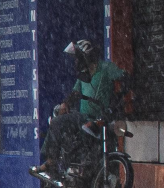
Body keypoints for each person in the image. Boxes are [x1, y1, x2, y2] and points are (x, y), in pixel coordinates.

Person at [34, 39, 126, 178]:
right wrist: (65, 104)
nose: (76, 62)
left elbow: (124, 77)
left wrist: (120, 98)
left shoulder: (106, 68)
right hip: (82, 117)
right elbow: (75, 93)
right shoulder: (84, 74)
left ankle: (54, 162)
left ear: (85, 57)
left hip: (100, 118)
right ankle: (51, 161)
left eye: (77, 58)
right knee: (57, 121)